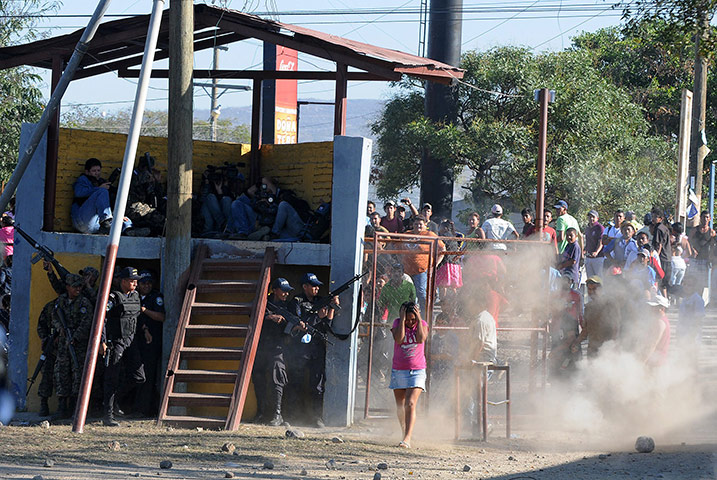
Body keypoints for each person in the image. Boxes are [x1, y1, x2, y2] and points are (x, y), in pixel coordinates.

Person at [290, 272, 339, 427]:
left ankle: (316, 417)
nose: (317, 288)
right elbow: (300, 323)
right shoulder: (297, 301)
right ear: (305, 287)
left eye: (318, 286)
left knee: (317, 384)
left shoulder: (320, 301)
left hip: (317, 347)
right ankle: (294, 416)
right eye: (313, 285)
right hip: (300, 348)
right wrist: (317, 316)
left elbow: (327, 326)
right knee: (297, 382)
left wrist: (331, 309)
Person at [102, 267, 145, 426]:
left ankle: (114, 402)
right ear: (123, 281)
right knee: (111, 379)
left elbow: (136, 318)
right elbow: (102, 319)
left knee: (139, 377)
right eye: (132, 281)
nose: (135, 283)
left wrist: (145, 331)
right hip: (116, 342)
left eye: (136, 281)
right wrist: (102, 341)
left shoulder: (136, 296)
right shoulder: (113, 297)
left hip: (131, 341)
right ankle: (107, 416)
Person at [254, 278, 300, 426]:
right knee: (258, 378)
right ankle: (261, 413)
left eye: (288, 290)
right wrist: (269, 317)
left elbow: (293, 326)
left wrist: (296, 327)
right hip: (261, 346)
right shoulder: (264, 303)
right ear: (274, 290)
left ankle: (277, 413)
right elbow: (252, 315)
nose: (286, 293)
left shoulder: (289, 306)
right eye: (283, 290)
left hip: (278, 348)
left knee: (277, 377)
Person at [52, 273, 94, 420]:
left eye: (80, 286)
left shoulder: (84, 303)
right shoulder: (61, 301)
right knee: (61, 372)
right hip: (64, 343)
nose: (78, 289)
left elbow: (87, 322)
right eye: (75, 286)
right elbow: (55, 317)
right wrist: (60, 328)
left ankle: (76, 408)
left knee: (78, 374)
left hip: (79, 345)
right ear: (68, 287)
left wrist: (75, 337)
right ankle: (62, 407)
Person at [390, 301, 428, 448]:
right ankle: (404, 432)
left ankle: (407, 438)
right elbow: (399, 339)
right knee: (400, 406)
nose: (410, 323)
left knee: (410, 403)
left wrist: (418, 319)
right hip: (399, 369)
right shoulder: (397, 323)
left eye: (413, 319)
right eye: (408, 320)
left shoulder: (422, 323)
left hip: (417, 370)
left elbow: (421, 339)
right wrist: (402, 320)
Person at [133, 271, 165, 417]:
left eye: (149, 283)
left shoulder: (156, 297)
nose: (147, 286)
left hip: (151, 344)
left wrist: (144, 310)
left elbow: (161, 316)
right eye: (143, 283)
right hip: (135, 342)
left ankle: (144, 409)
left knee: (148, 376)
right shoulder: (134, 296)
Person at [71, 158, 130, 234]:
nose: (97, 173)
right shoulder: (83, 179)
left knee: (125, 220)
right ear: (87, 172)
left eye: (98, 170)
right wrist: (99, 188)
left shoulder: (100, 182)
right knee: (102, 191)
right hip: (81, 221)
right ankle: (106, 221)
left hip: (94, 225)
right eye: (94, 171)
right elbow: (79, 193)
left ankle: (128, 229)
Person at [402, 216, 445, 313]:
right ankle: (408, 316)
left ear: (425, 225)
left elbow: (442, 249)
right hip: (406, 270)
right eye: (416, 224)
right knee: (407, 294)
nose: (418, 226)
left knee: (421, 294)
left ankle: (425, 317)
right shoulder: (407, 234)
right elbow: (397, 247)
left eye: (420, 224)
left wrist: (434, 265)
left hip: (421, 270)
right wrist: (400, 261)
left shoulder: (430, 235)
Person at [436, 219, 463, 301]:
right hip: (455, 265)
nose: (438, 228)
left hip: (446, 265)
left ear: (445, 228)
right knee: (453, 286)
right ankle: (454, 303)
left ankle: (443, 301)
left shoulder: (443, 237)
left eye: (440, 227)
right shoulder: (454, 237)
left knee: (442, 285)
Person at [688, 210, 715, 289]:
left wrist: (711, 257)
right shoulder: (694, 230)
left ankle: (700, 299)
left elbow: (713, 246)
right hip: (694, 259)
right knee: (692, 280)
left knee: (702, 283)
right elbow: (688, 241)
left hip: (705, 260)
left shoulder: (711, 232)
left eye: (707, 217)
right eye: (704, 217)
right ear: (700, 218)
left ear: (709, 219)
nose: (705, 219)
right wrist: (692, 250)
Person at [651, 208, 672, 298]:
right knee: (664, 283)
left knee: (661, 281)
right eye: (652, 216)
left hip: (662, 258)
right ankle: (665, 300)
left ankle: (664, 300)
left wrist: (656, 258)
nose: (653, 219)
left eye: (656, 217)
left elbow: (658, 245)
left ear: (661, 218)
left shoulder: (658, 228)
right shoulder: (664, 228)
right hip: (667, 257)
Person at [584, 210, 604, 277]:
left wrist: (596, 252)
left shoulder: (600, 228)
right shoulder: (587, 228)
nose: (591, 218)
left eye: (593, 217)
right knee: (590, 279)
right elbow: (587, 241)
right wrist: (584, 250)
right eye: (589, 217)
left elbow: (601, 241)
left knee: (599, 278)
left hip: (598, 258)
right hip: (588, 257)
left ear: (597, 218)